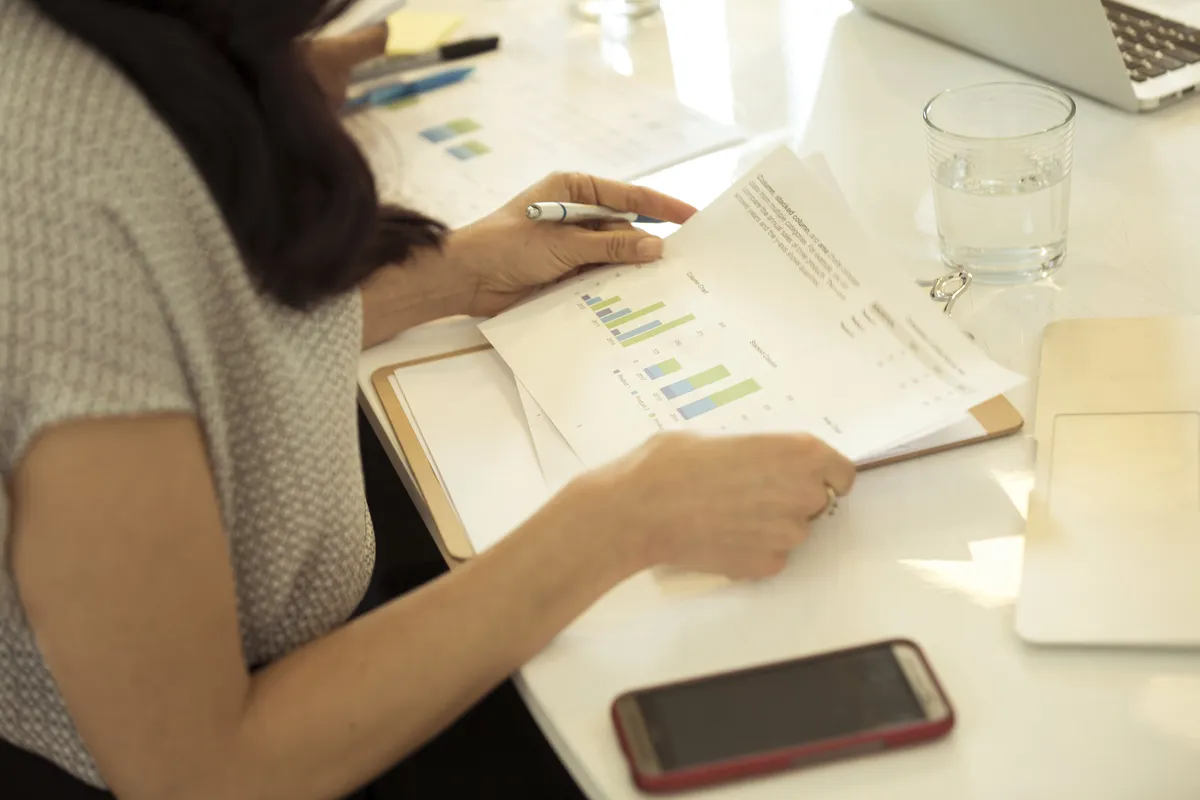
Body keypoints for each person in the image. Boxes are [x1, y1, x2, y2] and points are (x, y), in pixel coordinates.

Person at [0, 0, 856, 798]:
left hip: (312, 639)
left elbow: (193, 341)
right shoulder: (56, 192)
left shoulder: (126, 49)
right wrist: (623, 518)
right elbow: (199, 772)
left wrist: (450, 275)